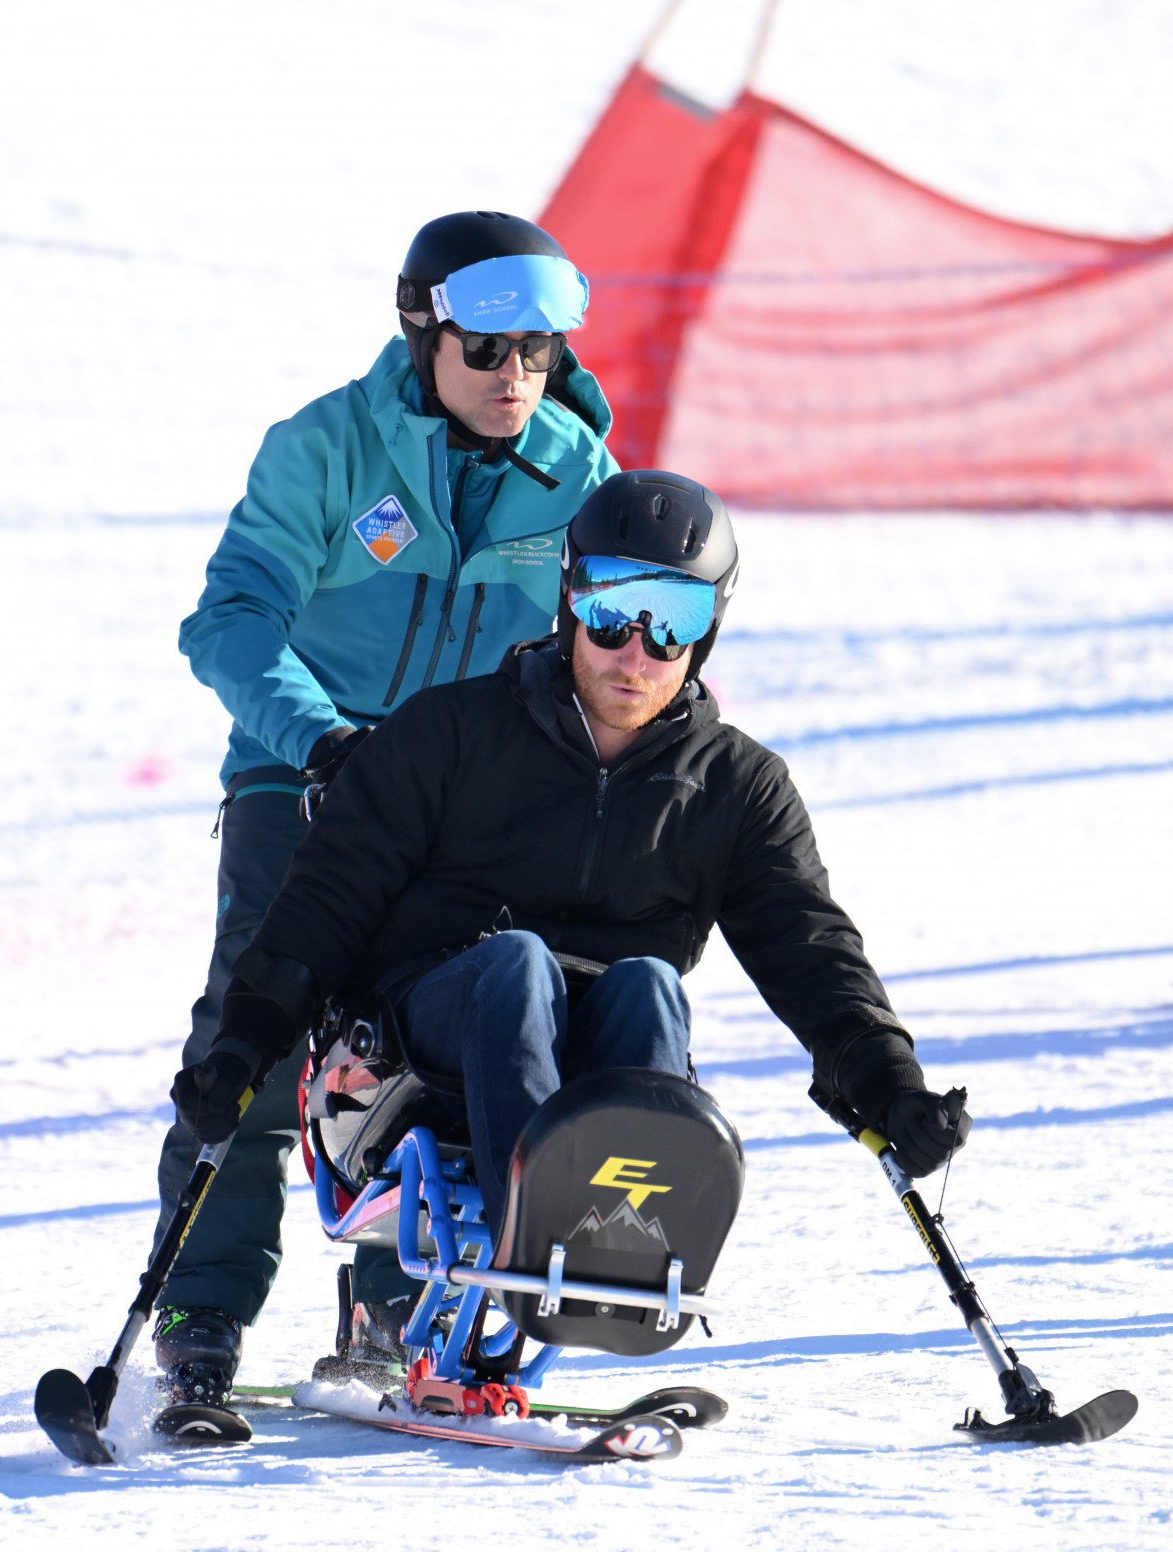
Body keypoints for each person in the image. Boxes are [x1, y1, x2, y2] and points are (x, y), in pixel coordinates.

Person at [171, 469, 972, 1368]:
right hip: (402, 1074)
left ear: (709, 631)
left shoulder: (736, 789)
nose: (637, 649)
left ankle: (628, 1250)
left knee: (646, 984)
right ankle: (533, 1237)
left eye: (672, 618)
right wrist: (243, 1043)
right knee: (516, 964)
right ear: (568, 598)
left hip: (595, 1080)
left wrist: (891, 1083)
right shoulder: (448, 733)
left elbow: (812, 950)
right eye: (612, 608)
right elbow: (323, 901)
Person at [152, 211, 618, 1403]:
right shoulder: (327, 448)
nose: (517, 376)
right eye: (489, 350)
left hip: (461, 804)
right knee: (255, 1037)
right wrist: (319, 739)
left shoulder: (577, 473)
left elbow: (616, 643)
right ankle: (201, 1313)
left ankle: (395, 1308)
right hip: (301, 774)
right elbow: (231, 617)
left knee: (429, 1045)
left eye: (542, 350)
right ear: (424, 334)